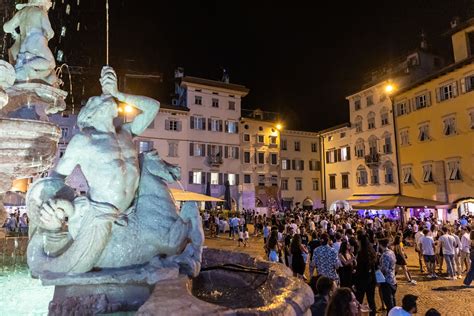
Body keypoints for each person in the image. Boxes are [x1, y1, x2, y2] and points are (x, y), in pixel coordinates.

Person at [354, 234, 377, 316]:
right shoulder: (372, 251)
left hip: (362, 280)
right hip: (371, 279)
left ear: (360, 241)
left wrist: (355, 279)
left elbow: (359, 269)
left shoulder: (361, 253)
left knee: (358, 300)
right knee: (371, 300)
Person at [379, 238, 397, 312]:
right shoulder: (391, 252)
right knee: (392, 299)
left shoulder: (384, 255)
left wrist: (378, 268)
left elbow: (384, 270)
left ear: (381, 245)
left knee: (389, 303)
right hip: (393, 279)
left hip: (386, 281)